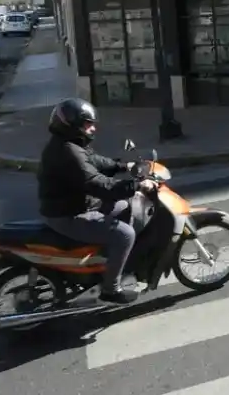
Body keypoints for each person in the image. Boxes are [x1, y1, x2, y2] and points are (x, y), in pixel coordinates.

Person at [38, 98, 155, 305]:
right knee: (125, 234)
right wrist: (135, 185)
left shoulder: (70, 145)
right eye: (87, 124)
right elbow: (97, 184)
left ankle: (109, 262)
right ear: (72, 125)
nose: (92, 128)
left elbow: (95, 161)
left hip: (75, 204)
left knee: (126, 206)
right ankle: (110, 289)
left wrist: (123, 166)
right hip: (70, 214)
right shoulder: (68, 152)